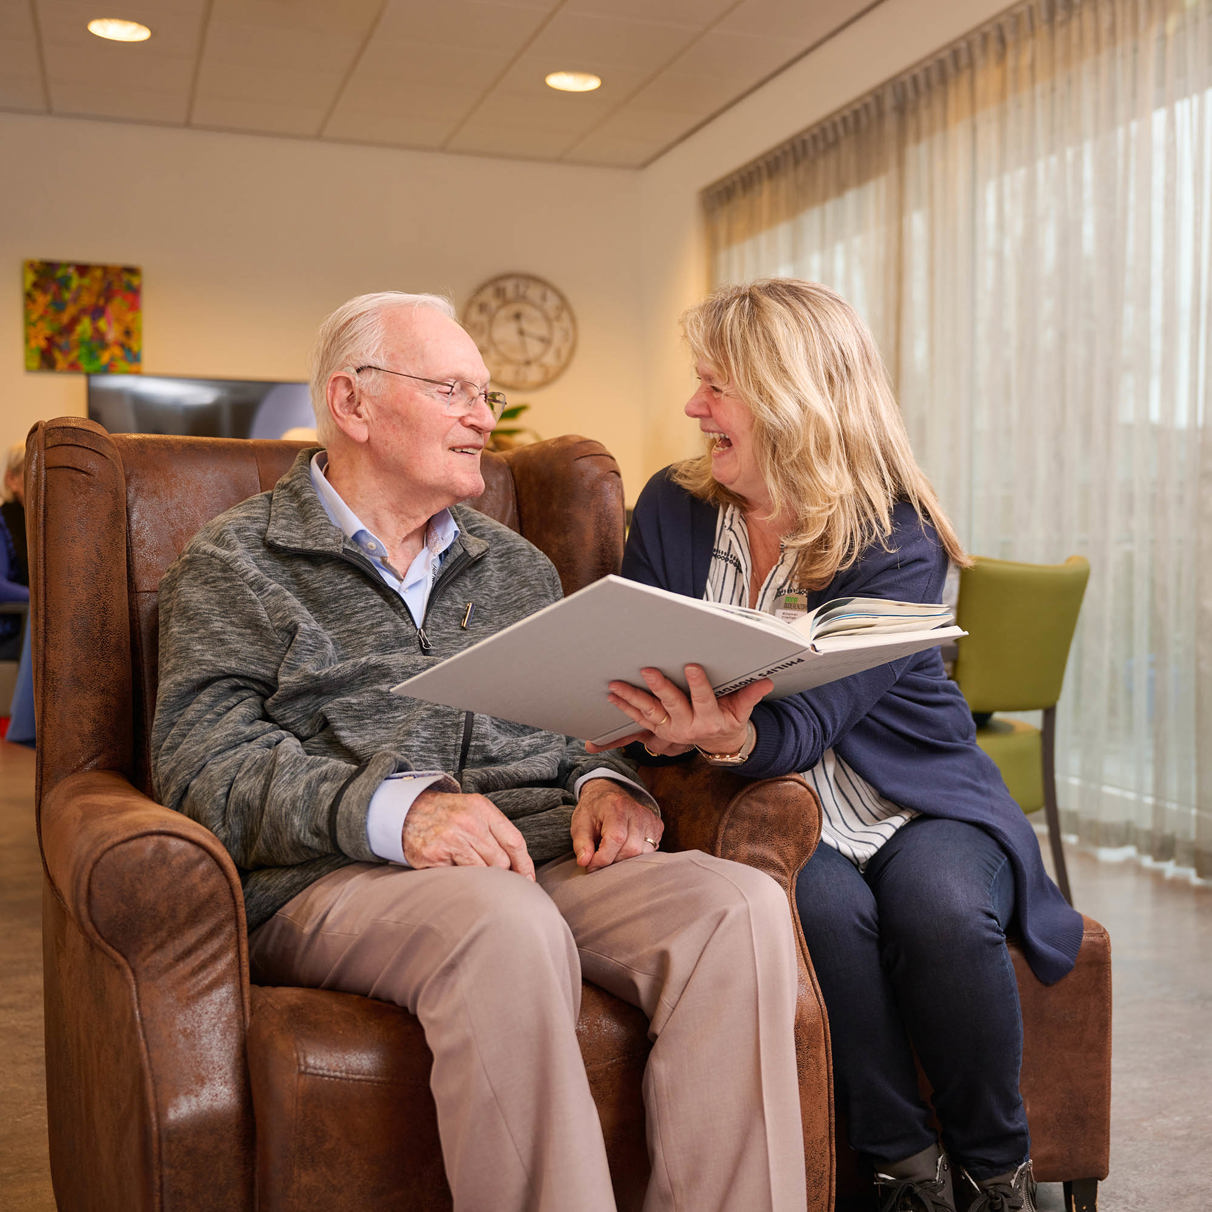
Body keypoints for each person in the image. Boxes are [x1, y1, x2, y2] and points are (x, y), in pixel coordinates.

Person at [150, 291, 807, 1212]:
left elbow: (580, 724)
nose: (483, 417)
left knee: (737, 905)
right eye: (453, 388)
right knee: (502, 922)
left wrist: (608, 786)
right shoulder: (236, 564)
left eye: (486, 394)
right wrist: (403, 813)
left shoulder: (515, 565)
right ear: (353, 404)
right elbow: (199, 766)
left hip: (534, 851)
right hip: (337, 874)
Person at [600, 279, 1083, 1212]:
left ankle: (999, 1175)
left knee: (942, 909)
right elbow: (635, 643)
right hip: (769, 808)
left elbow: (827, 710)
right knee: (816, 910)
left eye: (716, 387)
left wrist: (736, 731)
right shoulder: (670, 506)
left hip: (911, 797)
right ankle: (901, 1171)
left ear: (790, 396)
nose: (694, 408)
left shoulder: (894, 527)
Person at [1, 441, 29, 663]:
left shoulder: (41, 521)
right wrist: (43, 599)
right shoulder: (3, 521)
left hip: (32, 622)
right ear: (11, 479)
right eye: (31, 473)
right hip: (11, 627)